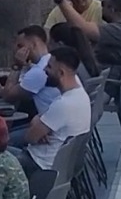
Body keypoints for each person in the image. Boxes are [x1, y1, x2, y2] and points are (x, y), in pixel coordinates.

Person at [16, 46, 91, 176]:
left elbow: (30, 137)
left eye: (49, 67)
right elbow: (40, 122)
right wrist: (38, 122)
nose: (44, 70)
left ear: (61, 73)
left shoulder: (63, 104)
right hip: (57, 165)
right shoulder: (80, 95)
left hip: (38, 165)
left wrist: (38, 125)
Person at [56, 0, 121, 73]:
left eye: (103, 4)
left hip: (103, 82)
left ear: (112, 9)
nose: (100, 7)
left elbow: (81, 27)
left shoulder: (120, 31)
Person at [0, 25, 58, 120]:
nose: (16, 50)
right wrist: (0, 89)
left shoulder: (40, 71)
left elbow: (8, 96)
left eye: (20, 46)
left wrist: (17, 66)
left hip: (50, 127)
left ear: (34, 44)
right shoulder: (48, 61)